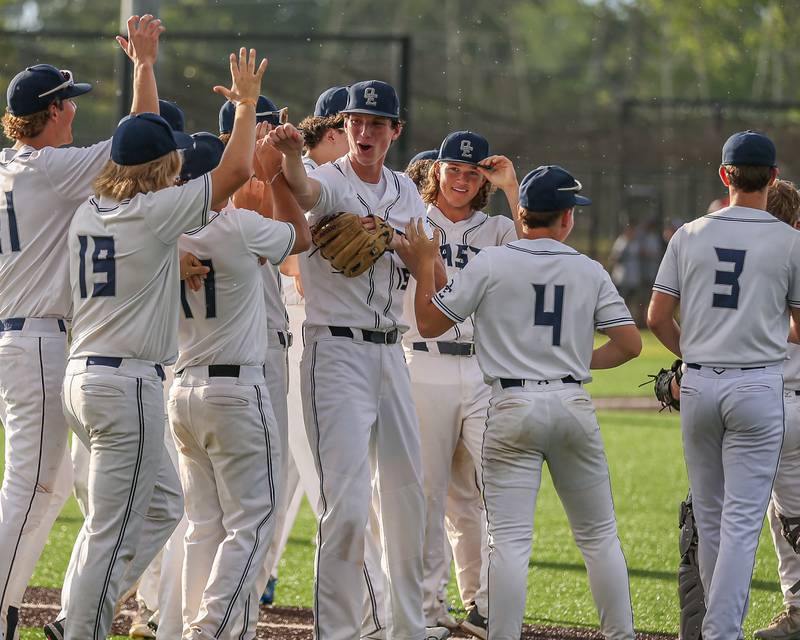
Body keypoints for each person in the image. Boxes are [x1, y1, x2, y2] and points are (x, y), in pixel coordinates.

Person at [58, 46, 267, 640]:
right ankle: (79, 628)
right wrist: (248, 106)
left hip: (85, 373)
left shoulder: (92, 209)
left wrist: (146, 69)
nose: (181, 162)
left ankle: (79, 610)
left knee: (163, 507)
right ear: (161, 167)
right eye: (172, 156)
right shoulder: (155, 213)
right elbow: (233, 175)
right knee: (111, 527)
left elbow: (138, 141)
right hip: (125, 383)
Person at [406, 163, 640, 640]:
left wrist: (422, 268)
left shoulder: (490, 262)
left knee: (508, 542)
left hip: (510, 404)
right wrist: (577, 362)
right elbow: (631, 345)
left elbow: (429, 324)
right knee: (598, 538)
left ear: (523, 214)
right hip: (570, 400)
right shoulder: (588, 269)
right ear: (566, 218)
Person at [0, 15, 171, 640]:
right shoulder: (50, 169)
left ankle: (63, 612)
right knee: (34, 486)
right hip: (41, 341)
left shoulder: (10, 168)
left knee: (49, 487)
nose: (73, 112)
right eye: (67, 104)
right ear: (49, 114)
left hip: (25, 338)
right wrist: (145, 67)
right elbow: (141, 140)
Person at [267, 79, 451, 640]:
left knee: (407, 502)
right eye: (356, 121)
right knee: (345, 509)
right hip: (336, 353)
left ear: (395, 131)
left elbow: (434, 275)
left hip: (391, 354)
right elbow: (301, 191)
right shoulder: (331, 179)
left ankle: (408, 630)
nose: (365, 130)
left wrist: (409, 249)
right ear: (344, 126)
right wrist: (294, 156)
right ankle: (339, 633)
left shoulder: (406, 192)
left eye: (377, 122)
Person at [648, 131, 800, 640]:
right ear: (773, 176)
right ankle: (720, 632)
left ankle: (715, 630)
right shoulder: (789, 240)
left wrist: (693, 353)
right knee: (740, 523)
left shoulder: (689, 234)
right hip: (758, 385)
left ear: (724, 175)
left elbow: (657, 317)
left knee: (709, 517)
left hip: (699, 384)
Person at [170, 116, 309, 639]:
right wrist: (273, 178)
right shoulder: (237, 226)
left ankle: (193, 625)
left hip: (182, 389)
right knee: (253, 522)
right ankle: (208, 631)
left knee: (205, 525)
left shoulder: (164, 233)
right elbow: (300, 237)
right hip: (235, 390)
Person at [402, 130, 518, 636]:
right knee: (427, 493)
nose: (463, 180)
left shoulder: (495, 227)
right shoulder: (411, 218)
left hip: (479, 367)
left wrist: (513, 189)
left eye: (473, 173)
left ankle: (487, 603)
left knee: (489, 490)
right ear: (436, 170)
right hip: (422, 361)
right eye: (454, 169)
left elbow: (536, 246)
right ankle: (428, 608)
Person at [750, 179, 800, 640]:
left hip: (768, 400)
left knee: (726, 513)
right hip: (784, 403)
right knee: (781, 513)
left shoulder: (761, 255)